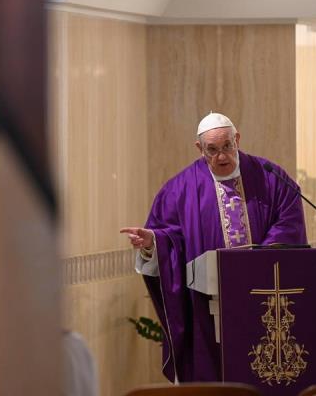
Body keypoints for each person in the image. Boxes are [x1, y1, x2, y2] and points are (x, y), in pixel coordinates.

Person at [120, 112, 306, 382]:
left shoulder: (270, 178)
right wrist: (153, 242)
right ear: (200, 149)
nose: (222, 157)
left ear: (237, 140)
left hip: (266, 302)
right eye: (213, 150)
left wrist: (259, 260)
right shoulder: (179, 190)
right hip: (207, 310)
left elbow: (289, 221)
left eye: (227, 147)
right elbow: (169, 236)